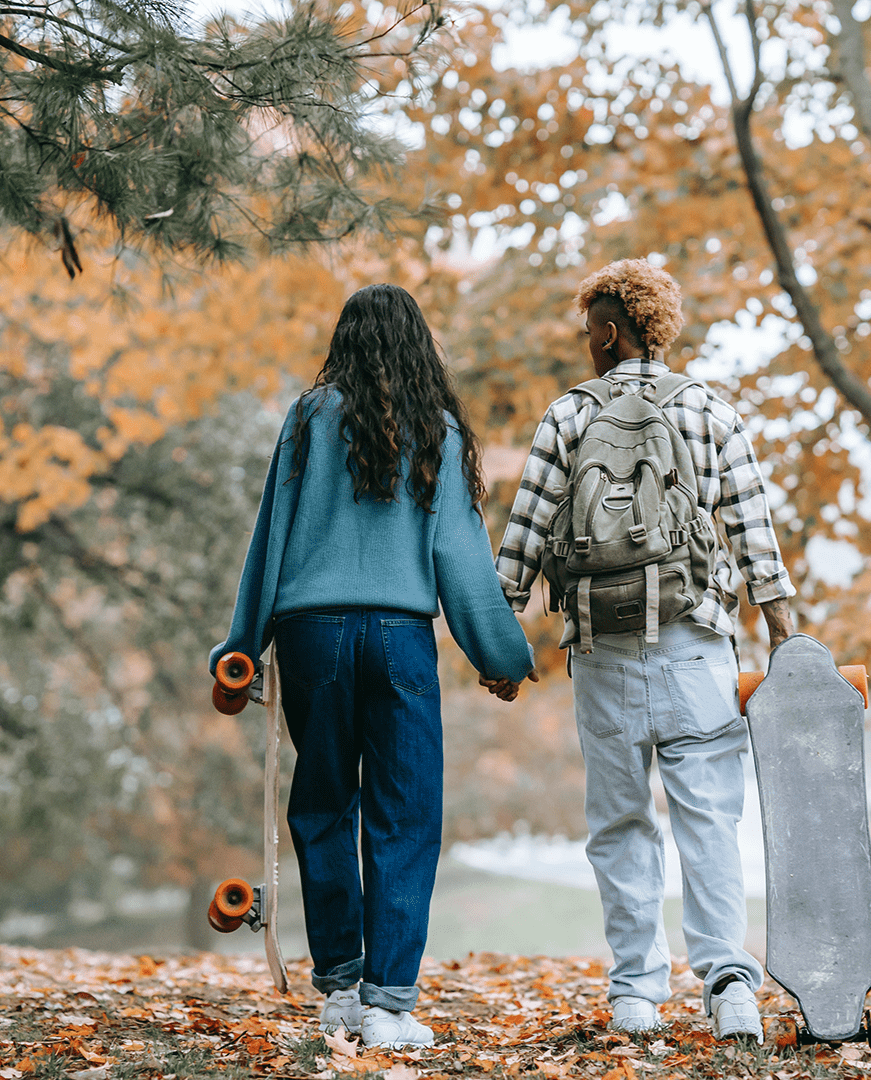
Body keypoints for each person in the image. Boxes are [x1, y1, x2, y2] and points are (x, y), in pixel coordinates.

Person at [209, 284, 537, 1049]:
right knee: (406, 812)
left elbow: (271, 535)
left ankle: (340, 990)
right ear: (420, 347)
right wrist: (502, 657)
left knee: (323, 805)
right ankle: (390, 1006)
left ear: (344, 341)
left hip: (310, 634)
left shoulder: (309, 417)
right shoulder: (439, 430)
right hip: (399, 636)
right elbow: (460, 557)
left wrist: (240, 646)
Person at [491, 259, 797, 1041]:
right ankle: (730, 988)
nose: (585, 342)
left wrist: (500, 634)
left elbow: (523, 536)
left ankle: (635, 994)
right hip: (698, 643)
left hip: (603, 648)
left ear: (609, 328)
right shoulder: (708, 408)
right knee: (708, 819)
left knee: (621, 822)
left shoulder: (567, 416)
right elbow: (753, 525)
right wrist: (782, 632)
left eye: (588, 328)